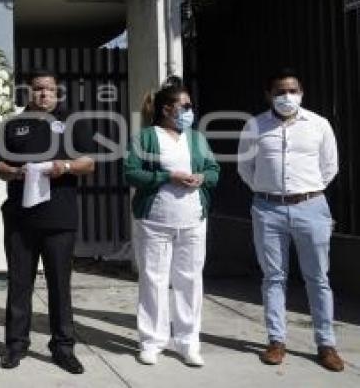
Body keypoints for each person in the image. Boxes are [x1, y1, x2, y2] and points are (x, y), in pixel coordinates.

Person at [237, 68, 343, 372]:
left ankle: (326, 344)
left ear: (301, 93)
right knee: (273, 276)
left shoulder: (319, 125)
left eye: (293, 90)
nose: (287, 96)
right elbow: (246, 169)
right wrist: (268, 191)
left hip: (311, 207)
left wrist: (304, 192)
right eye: (281, 91)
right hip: (267, 209)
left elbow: (329, 166)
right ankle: (276, 340)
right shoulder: (255, 126)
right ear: (268, 95)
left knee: (318, 277)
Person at [0, 69, 95, 374]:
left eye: (49, 90)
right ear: (29, 92)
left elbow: (88, 163)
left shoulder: (73, 120)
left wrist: (62, 166)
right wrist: (15, 172)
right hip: (20, 220)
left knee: (60, 286)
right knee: (19, 284)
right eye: (38, 89)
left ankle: (63, 347)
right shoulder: (13, 123)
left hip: (59, 220)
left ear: (57, 92)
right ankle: (15, 345)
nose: (44, 94)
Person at [123, 76, 219, 367]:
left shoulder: (196, 139)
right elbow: (131, 172)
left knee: (189, 281)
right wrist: (167, 176)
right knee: (153, 280)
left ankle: (188, 342)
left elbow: (214, 171)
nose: (190, 110)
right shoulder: (145, 138)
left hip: (192, 221)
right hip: (155, 221)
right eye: (185, 105)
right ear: (166, 109)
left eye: (190, 106)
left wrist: (203, 177)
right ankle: (152, 341)